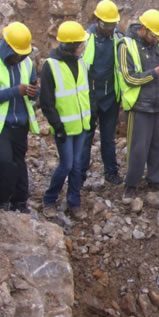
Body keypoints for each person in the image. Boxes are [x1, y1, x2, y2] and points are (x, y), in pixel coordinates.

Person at [0, 22, 39, 212]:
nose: (20, 57)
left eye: (23, 54)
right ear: (7, 47)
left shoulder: (26, 63)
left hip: (19, 123)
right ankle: (1, 200)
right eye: (17, 53)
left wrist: (34, 92)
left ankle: (20, 202)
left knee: (18, 163)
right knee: (3, 161)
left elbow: (34, 92)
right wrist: (15, 91)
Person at [117, 9, 159, 204]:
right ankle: (131, 185)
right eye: (154, 36)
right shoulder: (126, 46)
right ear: (143, 29)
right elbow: (129, 78)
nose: (157, 40)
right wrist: (157, 71)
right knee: (138, 147)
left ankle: (154, 179)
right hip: (139, 106)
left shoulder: (156, 44)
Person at [41, 21, 91, 220]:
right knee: (67, 165)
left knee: (78, 165)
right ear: (72, 46)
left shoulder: (81, 62)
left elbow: (86, 93)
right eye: (81, 44)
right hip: (64, 127)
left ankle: (74, 202)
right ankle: (49, 199)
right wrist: (57, 126)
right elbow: (46, 101)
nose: (84, 47)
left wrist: (91, 113)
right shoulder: (50, 66)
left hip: (81, 125)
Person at [80, 0, 123, 185]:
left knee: (108, 137)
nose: (109, 28)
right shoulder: (85, 39)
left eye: (113, 24)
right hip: (90, 96)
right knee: (85, 138)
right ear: (97, 20)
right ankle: (79, 174)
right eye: (107, 24)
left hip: (111, 96)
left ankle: (111, 172)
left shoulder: (118, 39)